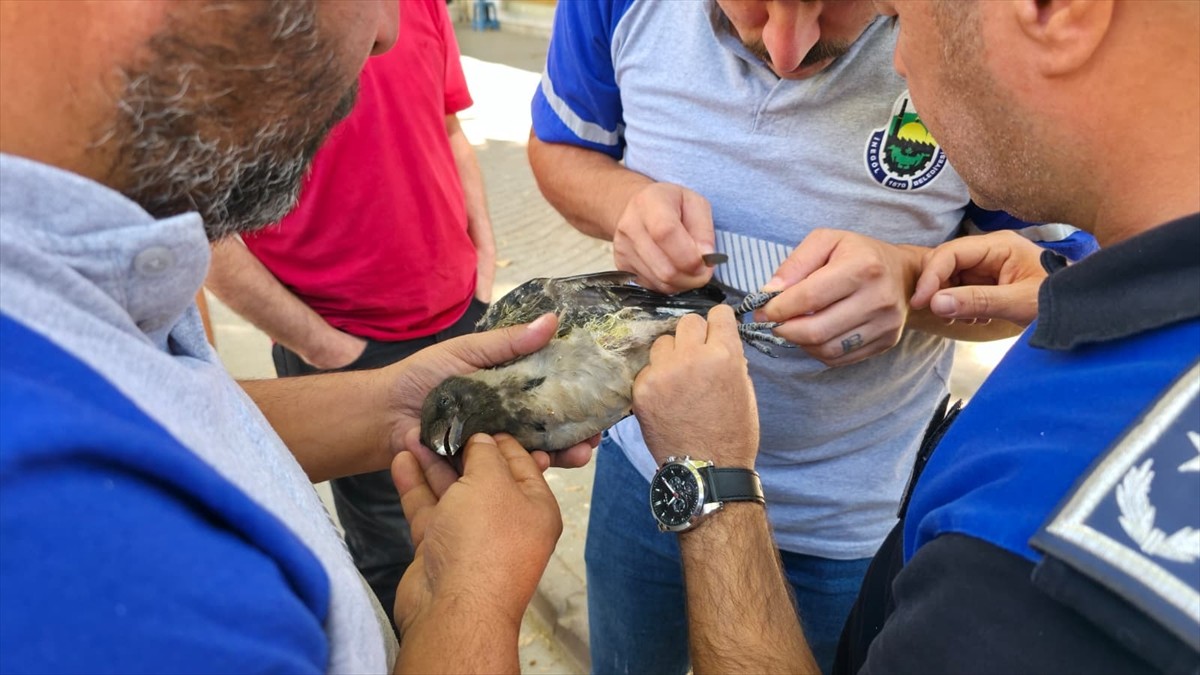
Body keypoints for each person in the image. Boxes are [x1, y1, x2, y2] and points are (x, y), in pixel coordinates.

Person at [534, 0, 1193, 671]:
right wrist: (623, 204)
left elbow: (1046, 280)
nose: (789, 52)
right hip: (640, 467)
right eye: (754, 4)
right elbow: (558, 148)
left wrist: (911, 288)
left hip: (846, 524)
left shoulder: (975, 51)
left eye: (854, 7)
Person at [0, 1, 591, 672]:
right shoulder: (84, 561)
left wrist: (396, 404)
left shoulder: (72, 261)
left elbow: (164, 416)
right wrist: (471, 602)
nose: (386, 35)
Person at [204, 0, 493, 630]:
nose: (383, 35)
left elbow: (447, 130)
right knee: (395, 551)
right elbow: (203, 232)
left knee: (481, 509)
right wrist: (324, 347)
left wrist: (484, 266)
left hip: (462, 317)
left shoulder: (420, 8)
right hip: (344, 344)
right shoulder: (237, 23)